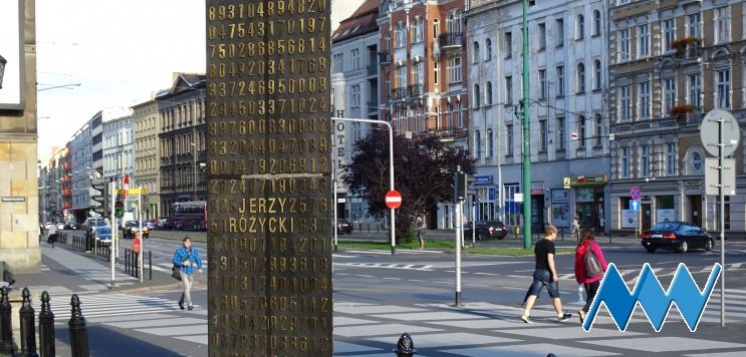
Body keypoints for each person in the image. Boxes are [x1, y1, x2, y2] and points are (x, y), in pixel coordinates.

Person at [520, 225, 572, 323]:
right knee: (555, 295)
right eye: (555, 234)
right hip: (547, 273)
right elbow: (550, 259)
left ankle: (526, 314)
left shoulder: (538, 243)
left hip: (538, 271)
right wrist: (554, 273)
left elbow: (536, 258)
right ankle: (560, 316)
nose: (556, 236)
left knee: (533, 293)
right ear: (552, 233)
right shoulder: (550, 245)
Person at [574, 229, 608, 323]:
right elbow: (601, 258)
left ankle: (590, 318)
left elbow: (577, 264)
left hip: (584, 276)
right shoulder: (593, 245)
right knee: (597, 296)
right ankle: (583, 311)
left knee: (590, 296)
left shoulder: (579, 247)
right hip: (594, 274)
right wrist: (606, 270)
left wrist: (578, 277)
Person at [172, 237, 203, 310]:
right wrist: (181, 263)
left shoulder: (193, 251)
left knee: (188, 289)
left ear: (191, 243)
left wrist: (200, 267)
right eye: (186, 242)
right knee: (186, 287)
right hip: (183, 270)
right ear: (183, 243)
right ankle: (190, 304)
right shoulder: (179, 251)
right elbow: (174, 260)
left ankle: (181, 302)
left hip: (191, 271)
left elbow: (198, 259)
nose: (187, 244)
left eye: (189, 242)